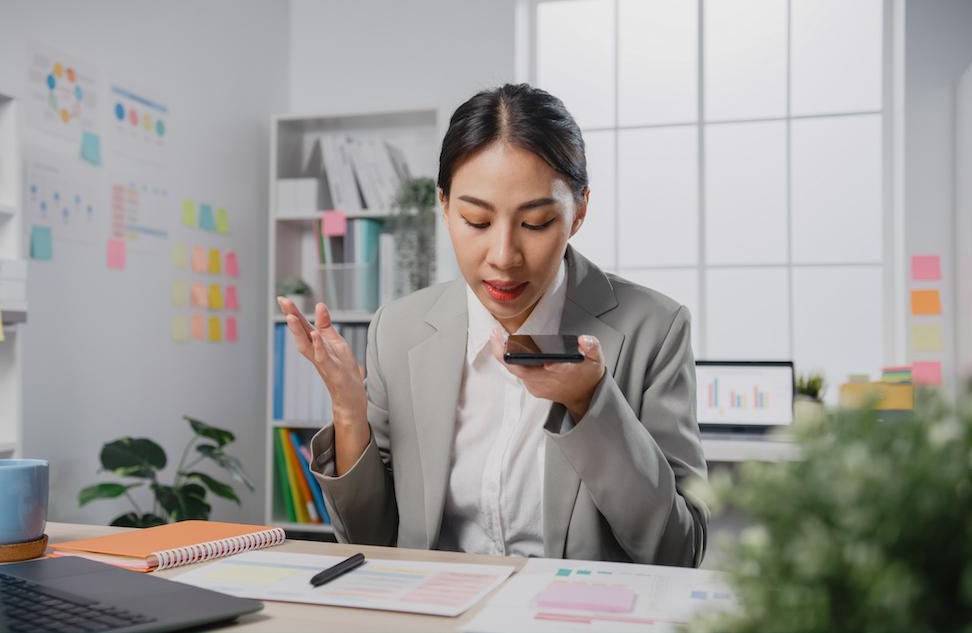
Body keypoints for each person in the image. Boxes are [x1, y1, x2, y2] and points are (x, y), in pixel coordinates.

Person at [275, 84, 708, 566]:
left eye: (537, 223)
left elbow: (679, 551)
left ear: (580, 210)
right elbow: (370, 541)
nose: (503, 257)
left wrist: (591, 405)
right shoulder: (398, 330)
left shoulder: (656, 330)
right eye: (476, 221)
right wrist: (349, 411)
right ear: (444, 206)